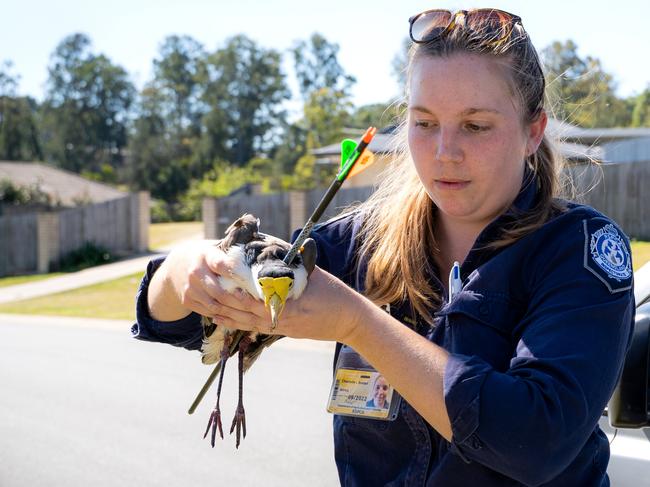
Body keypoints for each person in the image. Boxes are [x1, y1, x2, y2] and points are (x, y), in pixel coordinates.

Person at [132, 8, 635, 486]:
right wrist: (184, 271)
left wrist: (360, 324)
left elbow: (535, 440)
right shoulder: (365, 240)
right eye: (424, 123)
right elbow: (177, 322)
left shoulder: (579, 251)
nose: (445, 152)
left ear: (533, 131)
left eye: (476, 125)